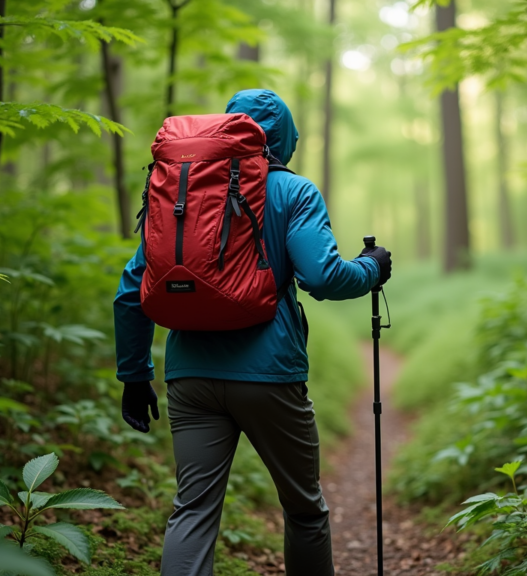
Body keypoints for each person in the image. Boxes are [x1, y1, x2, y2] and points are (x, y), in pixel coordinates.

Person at [113, 89, 392, 576]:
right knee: (304, 509)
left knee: (193, 512)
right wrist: (370, 268)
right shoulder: (293, 190)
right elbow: (323, 278)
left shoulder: (181, 190)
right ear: (284, 137)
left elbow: (131, 290)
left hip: (190, 376)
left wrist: (135, 377)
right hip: (271, 374)